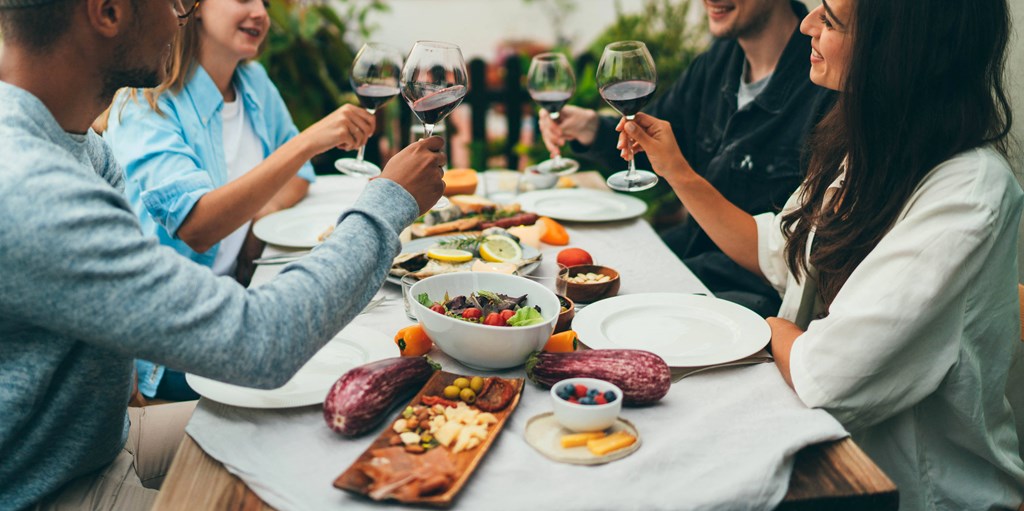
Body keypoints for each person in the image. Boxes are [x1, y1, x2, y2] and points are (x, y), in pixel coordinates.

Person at [0, 0, 445, 507]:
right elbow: (260, 341)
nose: (179, 19)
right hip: (45, 487)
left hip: (102, 442)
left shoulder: (76, 143)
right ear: (107, 12)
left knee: (349, 421)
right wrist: (387, 204)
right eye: (174, 2)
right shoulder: (29, 186)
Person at [622, 0, 1024, 509]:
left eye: (830, 19)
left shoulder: (967, 194)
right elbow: (774, 251)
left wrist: (771, 327)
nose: (807, 24)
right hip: (820, 447)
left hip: (908, 491)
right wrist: (675, 168)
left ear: (895, 53)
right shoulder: (873, 148)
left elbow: (827, 378)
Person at [101, 0, 375, 402]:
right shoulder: (145, 104)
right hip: (173, 341)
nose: (260, 13)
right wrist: (307, 142)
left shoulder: (253, 82)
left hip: (237, 301)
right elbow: (198, 227)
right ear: (192, 7)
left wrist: (259, 217)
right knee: (330, 374)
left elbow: (298, 177)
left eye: (263, 2)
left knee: (355, 349)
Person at [539, 0, 834, 318]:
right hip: (688, 261)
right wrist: (591, 127)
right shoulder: (717, 61)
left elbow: (803, 258)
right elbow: (656, 139)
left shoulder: (828, 85)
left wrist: (677, 172)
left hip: (749, 301)